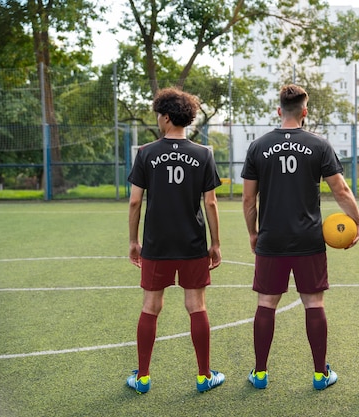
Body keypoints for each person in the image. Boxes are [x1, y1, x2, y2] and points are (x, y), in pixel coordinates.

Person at [241, 84, 359, 390]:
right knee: (313, 303)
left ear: (279, 110)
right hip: (309, 239)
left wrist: (253, 233)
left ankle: (259, 373)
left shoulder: (258, 146)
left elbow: (248, 200)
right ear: (305, 112)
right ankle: (320, 375)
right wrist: (358, 222)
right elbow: (340, 189)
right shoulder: (318, 145)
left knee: (266, 303)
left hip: (272, 239)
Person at [126, 87, 225, 394]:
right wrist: (216, 244)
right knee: (196, 305)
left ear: (167, 117)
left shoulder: (146, 153)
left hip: (157, 244)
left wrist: (133, 241)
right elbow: (210, 203)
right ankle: (203, 375)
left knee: (151, 306)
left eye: (158, 115)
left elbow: (134, 203)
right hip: (192, 244)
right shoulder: (203, 154)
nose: (157, 119)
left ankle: (142, 377)